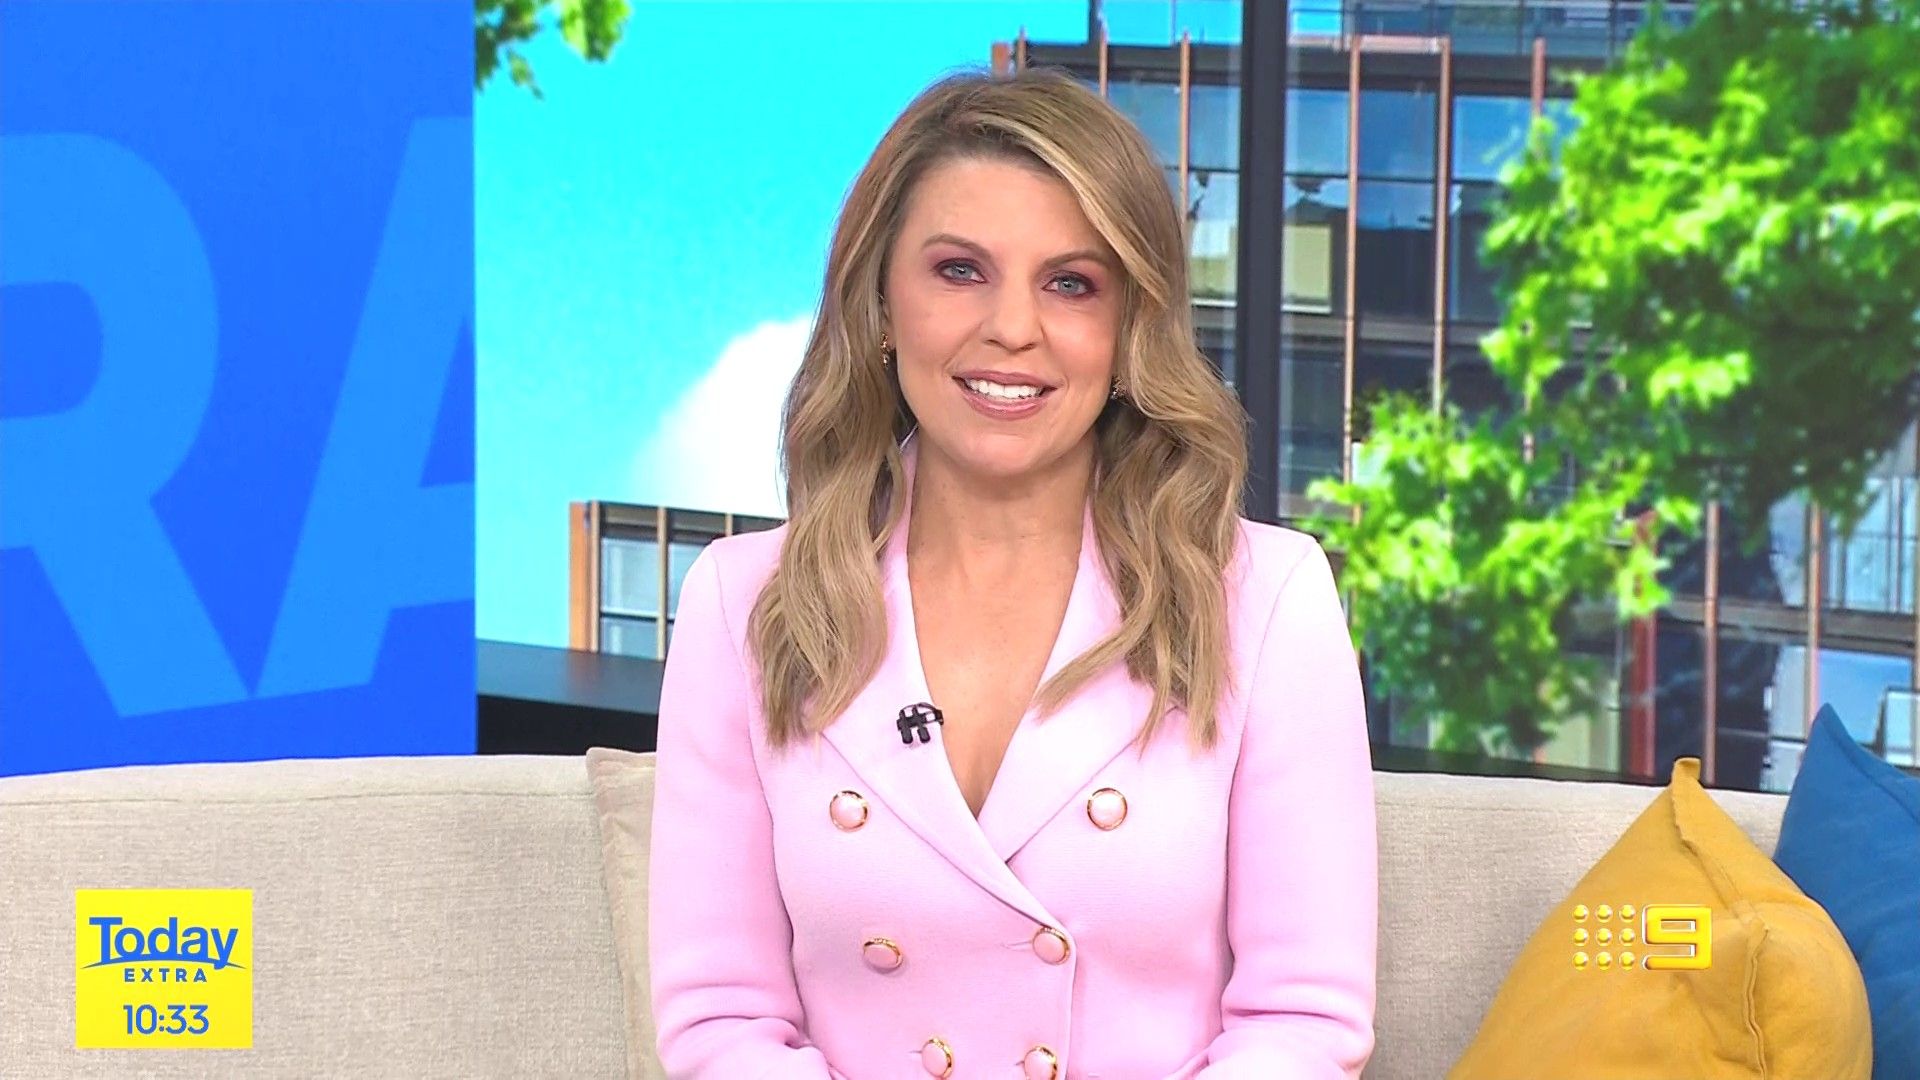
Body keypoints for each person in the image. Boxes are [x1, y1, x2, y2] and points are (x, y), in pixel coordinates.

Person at [647, 68, 1377, 1080]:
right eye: (960, 271)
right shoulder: (743, 603)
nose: (1013, 328)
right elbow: (720, 1021)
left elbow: (1302, 1024)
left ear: (1129, 329)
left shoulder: (1266, 600)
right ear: (881, 304)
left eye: (1070, 283)